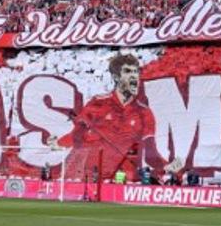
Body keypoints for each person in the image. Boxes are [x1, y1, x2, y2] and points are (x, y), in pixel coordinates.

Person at [50, 53, 181, 183]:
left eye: (136, 72)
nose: (134, 76)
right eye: (128, 71)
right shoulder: (98, 103)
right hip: (93, 176)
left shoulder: (144, 113)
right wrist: (58, 143)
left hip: (123, 178)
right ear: (116, 77)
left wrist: (166, 166)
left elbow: (151, 153)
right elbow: (77, 135)